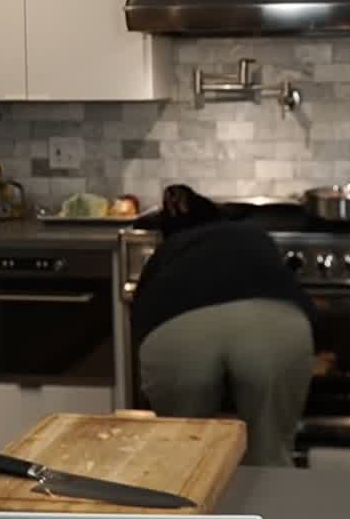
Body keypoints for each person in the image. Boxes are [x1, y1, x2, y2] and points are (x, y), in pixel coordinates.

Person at [132, 185, 316, 466]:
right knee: (270, 453)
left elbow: (140, 318)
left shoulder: (168, 253)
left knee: (185, 458)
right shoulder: (253, 236)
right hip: (272, 321)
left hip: (177, 327)